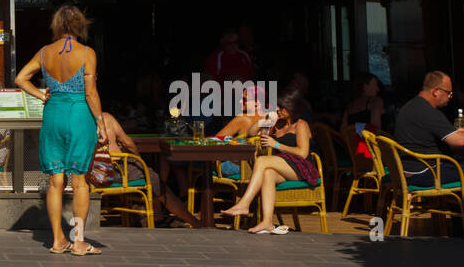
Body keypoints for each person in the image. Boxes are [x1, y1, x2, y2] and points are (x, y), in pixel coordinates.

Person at [16, 3, 107, 256]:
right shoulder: (87, 53)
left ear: (57, 26)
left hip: (53, 112)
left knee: (55, 180)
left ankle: (58, 239)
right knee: (79, 181)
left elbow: (21, 78)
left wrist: (40, 95)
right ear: (80, 25)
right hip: (78, 114)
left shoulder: (45, 53)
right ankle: (78, 241)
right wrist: (100, 122)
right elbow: (90, 93)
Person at [393, 70, 464, 236]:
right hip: (422, 172)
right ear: (436, 91)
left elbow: (453, 136)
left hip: (408, 169)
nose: (450, 96)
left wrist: (461, 134)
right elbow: (459, 142)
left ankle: (461, 228)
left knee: (461, 167)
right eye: (448, 92)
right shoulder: (428, 112)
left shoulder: (412, 106)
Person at [220, 88, 317, 233]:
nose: (277, 109)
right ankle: (267, 222)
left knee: (262, 161)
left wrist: (276, 144)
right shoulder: (277, 124)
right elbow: (251, 133)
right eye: (276, 106)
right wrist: (265, 120)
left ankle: (244, 204)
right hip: (282, 164)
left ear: (291, 108)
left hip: (302, 167)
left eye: (281, 107)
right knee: (268, 174)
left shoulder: (300, 125)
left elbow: (302, 153)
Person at [96, 111, 201, 227]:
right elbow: (127, 143)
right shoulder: (106, 118)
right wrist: (138, 159)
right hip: (117, 170)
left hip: (94, 173)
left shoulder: (80, 120)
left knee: (149, 176)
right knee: (154, 180)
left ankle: (157, 216)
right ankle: (195, 222)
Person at [342, 74, 385, 160]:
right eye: (375, 85)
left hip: (352, 155)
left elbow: (343, 130)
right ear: (365, 87)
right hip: (372, 155)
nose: (378, 89)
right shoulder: (376, 102)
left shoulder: (350, 106)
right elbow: (376, 127)